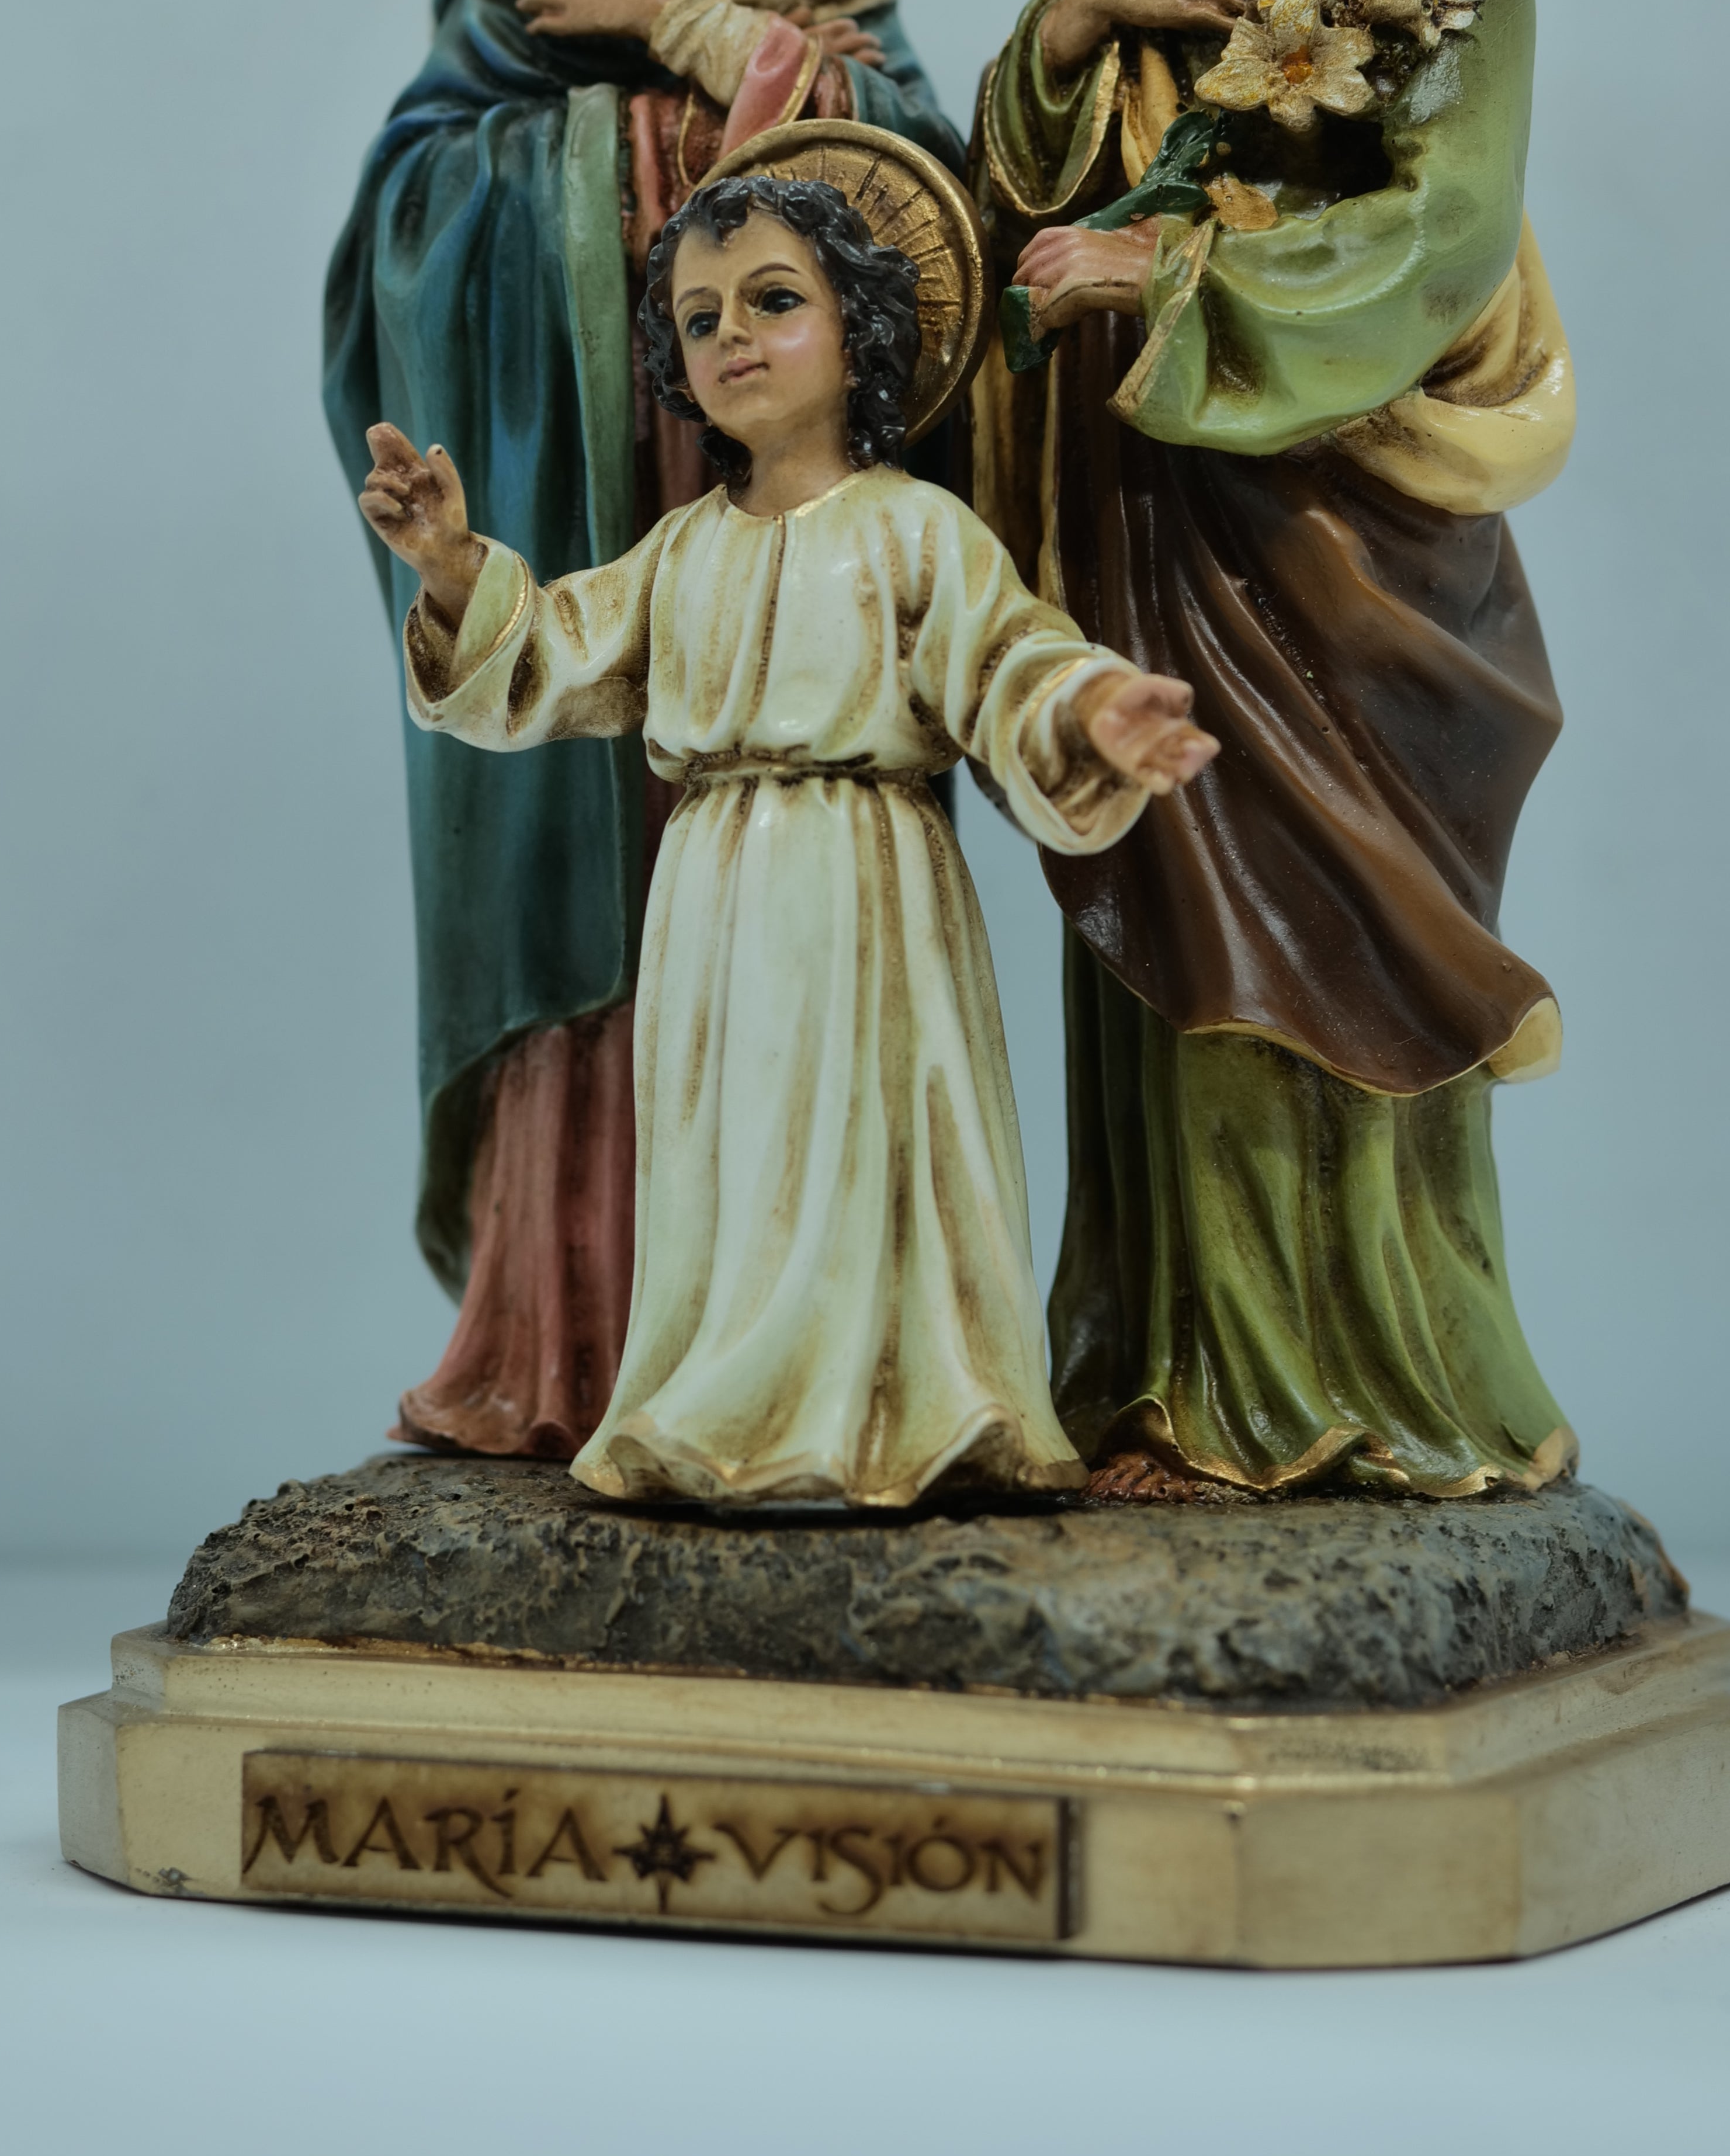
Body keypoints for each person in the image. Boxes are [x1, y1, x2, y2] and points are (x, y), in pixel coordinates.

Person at [325, 0, 968, 1462]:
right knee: (586, 888)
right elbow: (400, 245)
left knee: (792, 934)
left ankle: (792, 1377)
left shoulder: (841, 25)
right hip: (581, 502)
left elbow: (918, 202)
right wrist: (617, 144)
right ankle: (567, 1345)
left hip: (782, 551)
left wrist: (690, 31)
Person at [970, 0, 1579, 1502]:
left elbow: (1437, 244)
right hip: (1159, 530)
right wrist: (1073, 29)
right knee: (1168, 938)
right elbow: (1044, 197)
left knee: (1317, 950)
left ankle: (1357, 1390)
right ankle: (1169, 1376)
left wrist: (1165, 278)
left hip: (1338, 557)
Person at [356, 152, 1215, 1509]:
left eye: (771, 301)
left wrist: (1095, 711)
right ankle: (723, 1412)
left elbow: (1007, 659)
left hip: (865, 884)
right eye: (699, 319)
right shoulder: (681, 549)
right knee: (732, 1159)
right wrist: (456, 570)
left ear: (858, 325)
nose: (732, 339)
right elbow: (550, 658)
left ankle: (902, 1410)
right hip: (710, 902)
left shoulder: (916, 531)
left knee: (864, 1150)